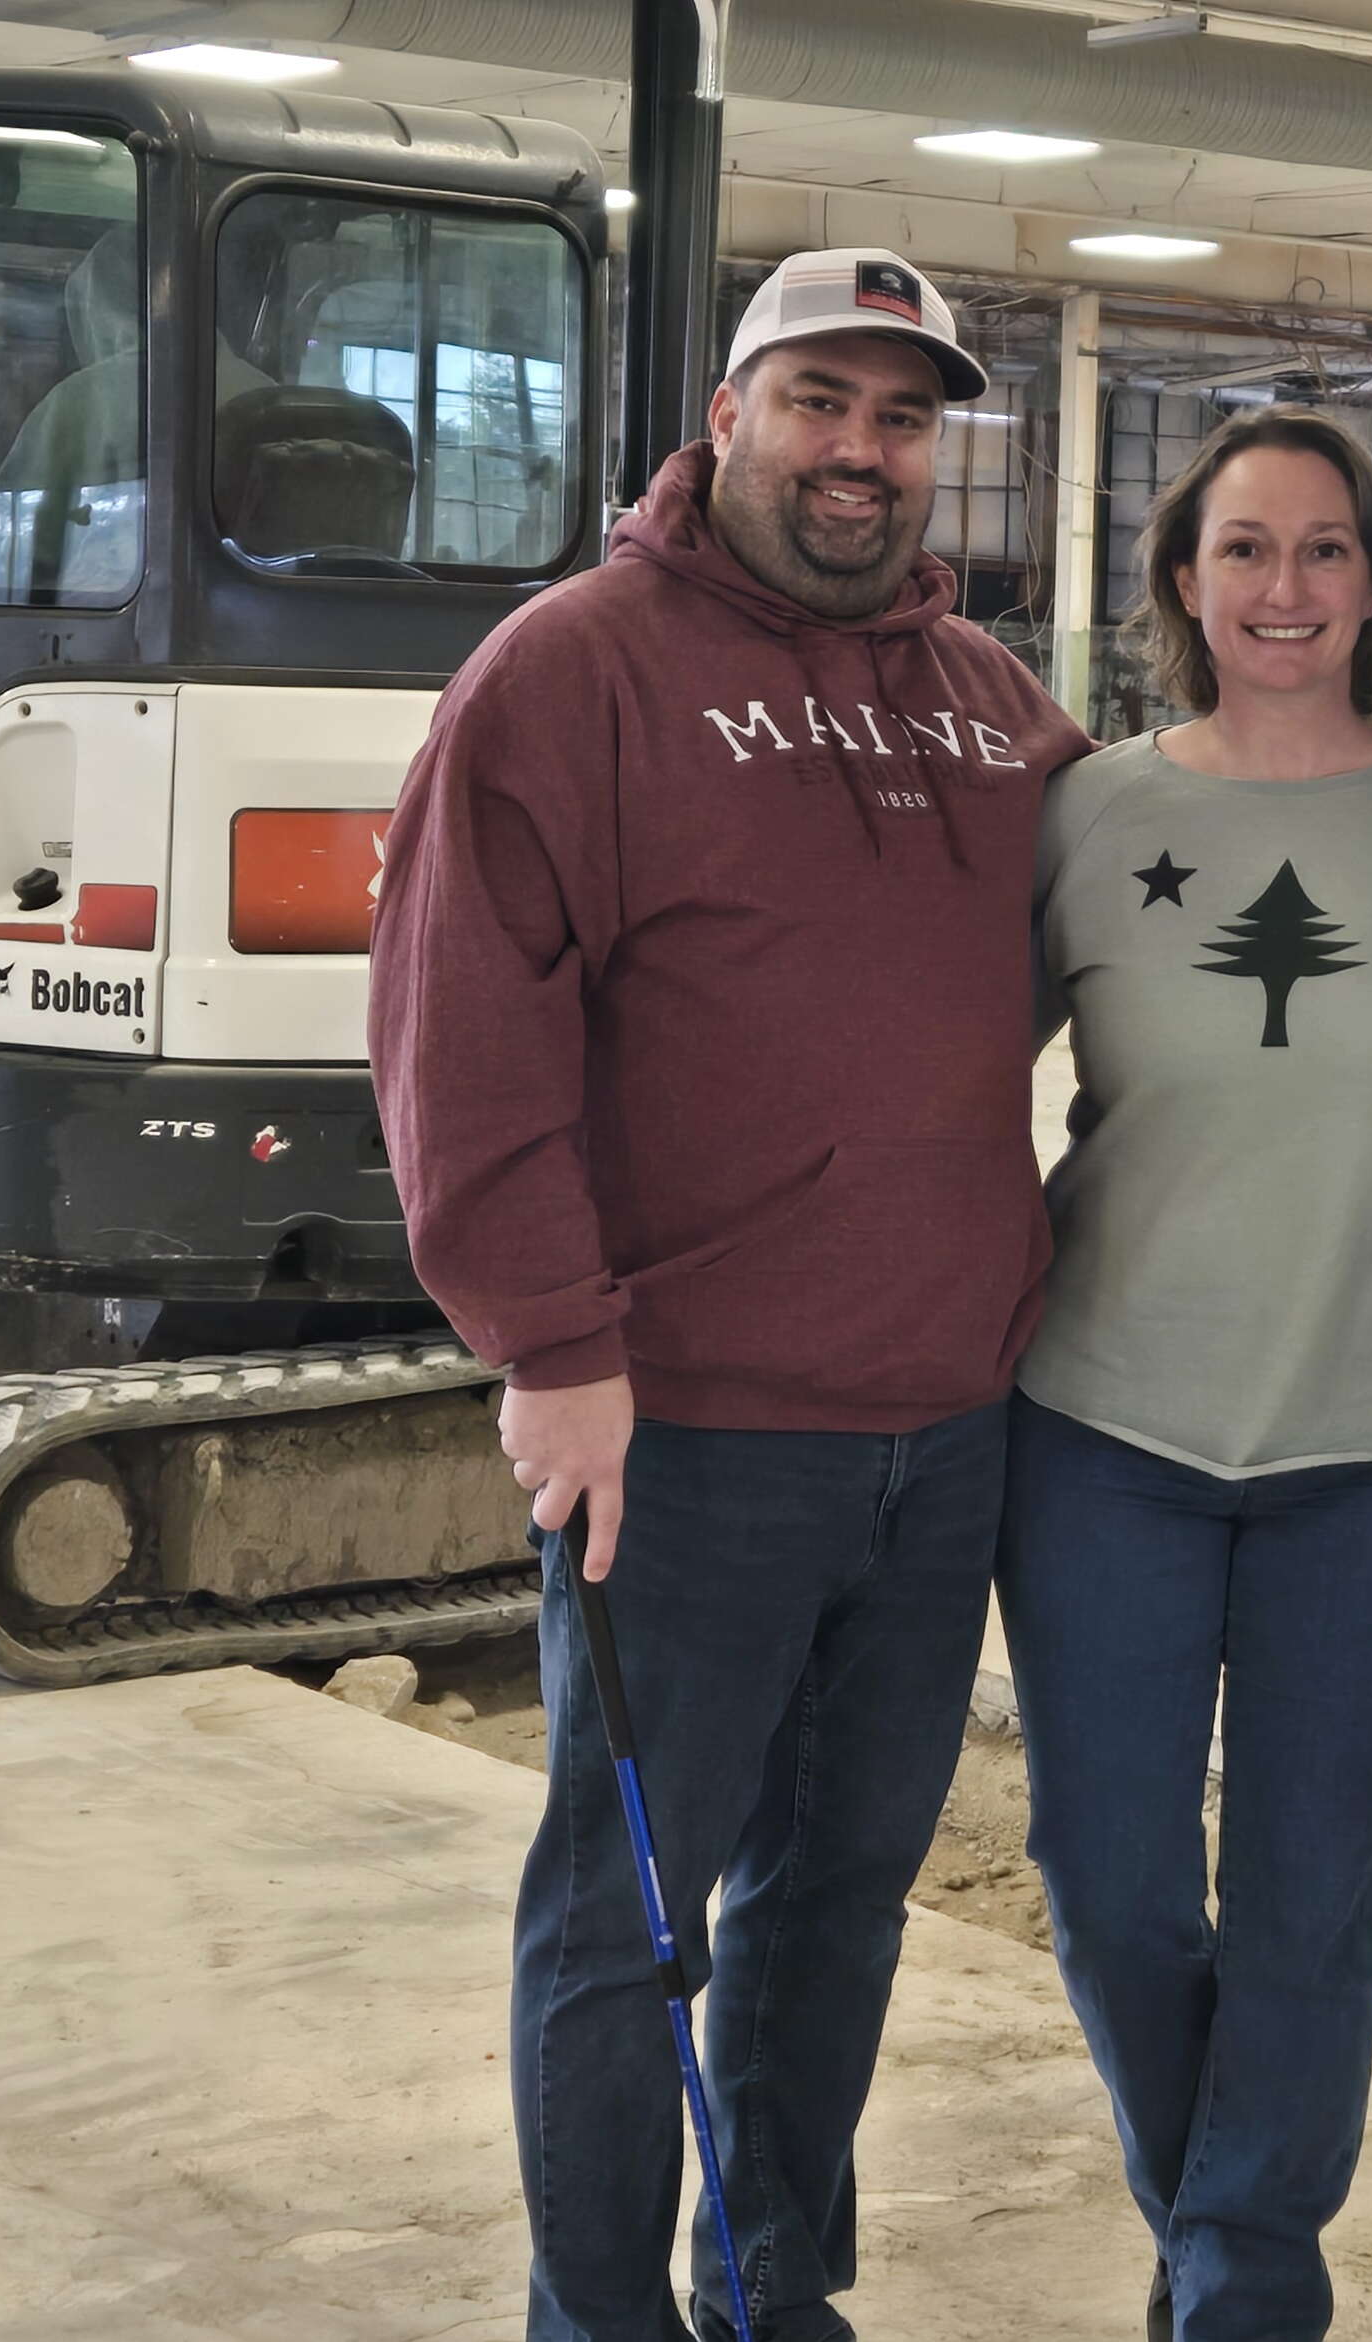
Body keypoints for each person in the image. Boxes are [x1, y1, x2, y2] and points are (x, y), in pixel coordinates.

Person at [370, 246, 1090, 2342]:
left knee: (834, 1906)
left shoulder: (986, 711)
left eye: (899, 416)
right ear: (727, 411)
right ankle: (594, 2313)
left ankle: (773, 2282)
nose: (858, 453)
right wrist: (549, 1341)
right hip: (681, 1431)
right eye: (817, 402)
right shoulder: (569, 670)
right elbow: (454, 1030)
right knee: (627, 1916)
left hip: (944, 1425)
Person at [1003, 404, 1372, 2342]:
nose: (1278, 588)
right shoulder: (1087, 810)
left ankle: (1235, 2291)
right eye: (1238, 549)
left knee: (1303, 1901)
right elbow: (922, 1058)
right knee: (1110, 1872)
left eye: (1318, 549)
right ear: (1178, 581)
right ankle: (1216, 2229)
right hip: (1105, 1425)